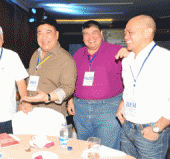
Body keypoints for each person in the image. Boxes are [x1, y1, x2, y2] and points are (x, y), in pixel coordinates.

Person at [67, 20, 127, 150]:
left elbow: (132, 77)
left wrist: (124, 101)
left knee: (107, 150)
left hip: (108, 109)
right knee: (85, 148)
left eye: (94, 32)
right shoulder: (78, 54)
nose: (91, 37)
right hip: (81, 109)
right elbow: (71, 80)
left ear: (101, 33)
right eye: (86, 34)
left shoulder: (116, 51)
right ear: (82, 37)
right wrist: (70, 100)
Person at [116, 15, 170, 158]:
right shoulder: (127, 60)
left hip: (150, 131)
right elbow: (130, 87)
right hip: (127, 128)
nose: (125, 36)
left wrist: (158, 127)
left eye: (130, 32)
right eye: (125, 33)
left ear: (147, 32)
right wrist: (123, 103)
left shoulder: (165, 58)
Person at [21, 18, 76, 116]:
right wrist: (25, 101)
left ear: (57, 35)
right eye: (40, 33)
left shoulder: (65, 59)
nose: (43, 37)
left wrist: (48, 97)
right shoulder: (35, 54)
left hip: (51, 114)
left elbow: (68, 88)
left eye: (48, 32)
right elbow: (29, 80)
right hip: (30, 112)